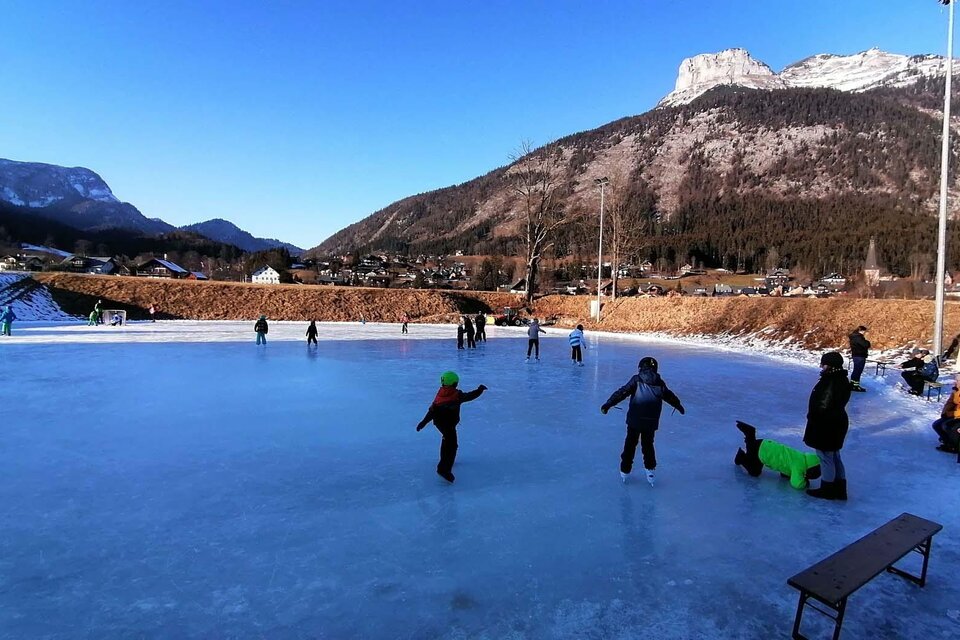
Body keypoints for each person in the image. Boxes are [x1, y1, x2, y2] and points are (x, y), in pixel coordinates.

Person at [601, 356, 685, 486]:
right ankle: (650, 472)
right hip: (650, 422)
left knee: (630, 444)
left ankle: (625, 470)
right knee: (648, 446)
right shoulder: (660, 383)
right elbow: (670, 396)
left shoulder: (637, 379)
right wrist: (679, 406)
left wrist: (608, 404)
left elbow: (622, 392)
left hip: (635, 420)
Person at [416, 371, 487, 483]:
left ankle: (445, 463)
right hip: (448, 425)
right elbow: (470, 396)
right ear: (455, 384)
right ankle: (443, 469)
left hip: (440, 423)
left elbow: (432, 411)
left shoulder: (440, 394)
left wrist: (423, 422)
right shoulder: (456, 395)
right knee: (452, 446)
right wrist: (480, 390)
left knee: (447, 442)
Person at [803, 351, 852, 500]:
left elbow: (823, 405)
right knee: (834, 455)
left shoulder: (831, 381)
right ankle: (839, 488)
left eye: (823, 364)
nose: (821, 366)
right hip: (836, 422)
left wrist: (813, 418)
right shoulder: (841, 379)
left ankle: (828, 488)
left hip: (826, 424)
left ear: (830, 365)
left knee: (825, 457)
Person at [734, 421, 821, 490]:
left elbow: (786, 466)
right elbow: (797, 484)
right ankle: (741, 455)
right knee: (754, 471)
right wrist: (805, 483)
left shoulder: (802, 456)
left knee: (752, 447)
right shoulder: (798, 467)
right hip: (761, 453)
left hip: (766, 444)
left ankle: (750, 436)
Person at [932, 374, 960, 453]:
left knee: (948, 426)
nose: (955, 382)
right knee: (937, 424)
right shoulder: (956, 390)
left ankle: (955, 447)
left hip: (956, 415)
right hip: (954, 414)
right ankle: (948, 441)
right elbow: (950, 402)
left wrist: (951, 414)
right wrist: (945, 413)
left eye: (957, 381)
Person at [848, 325, 870, 392]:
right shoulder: (858, 337)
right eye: (864, 331)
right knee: (858, 371)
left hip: (856, 355)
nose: (864, 333)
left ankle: (853, 384)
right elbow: (866, 344)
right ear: (860, 330)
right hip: (860, 356)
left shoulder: (854, 337)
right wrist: (868, 342)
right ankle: (855, 386)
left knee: (856, 370)